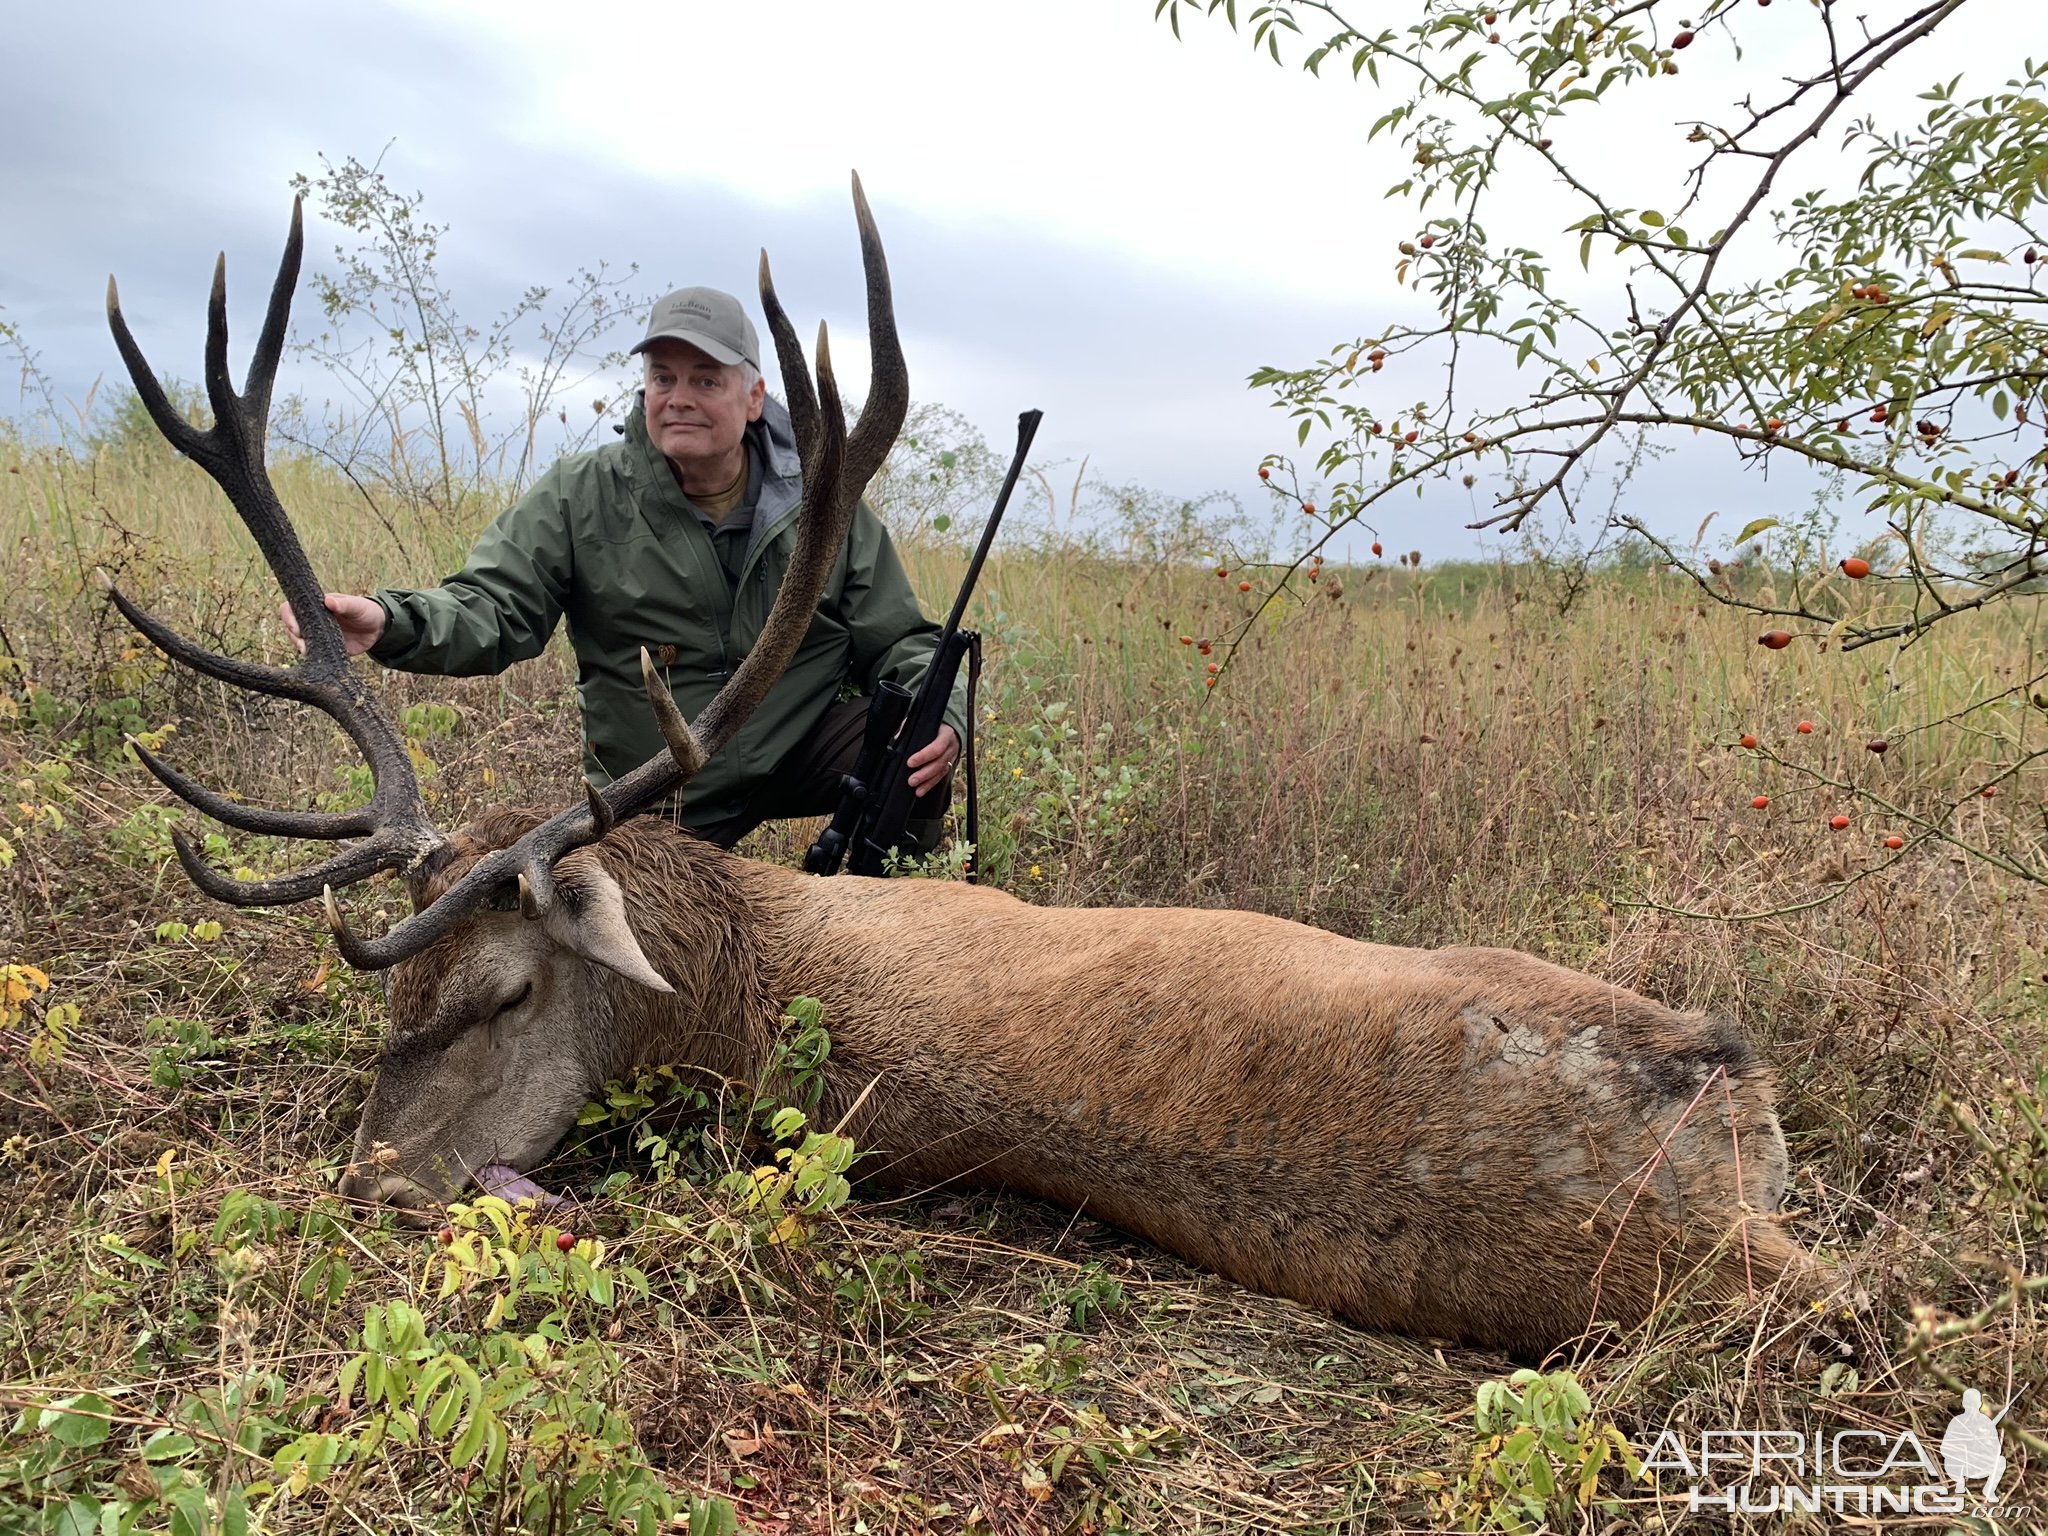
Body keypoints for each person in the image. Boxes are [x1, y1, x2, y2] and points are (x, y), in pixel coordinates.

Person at [282, 284, 963, 852]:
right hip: (661, 785)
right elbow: (492, 608)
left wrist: (947, 718)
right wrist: (390, 620)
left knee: (916, 744)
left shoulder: (825, 500)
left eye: (705, 379)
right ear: (643, 392)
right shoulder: (582, 494)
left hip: (795, 744)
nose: (679, 397)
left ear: (754, 397)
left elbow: (905, 641)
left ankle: (896, 910)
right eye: (662, 378)